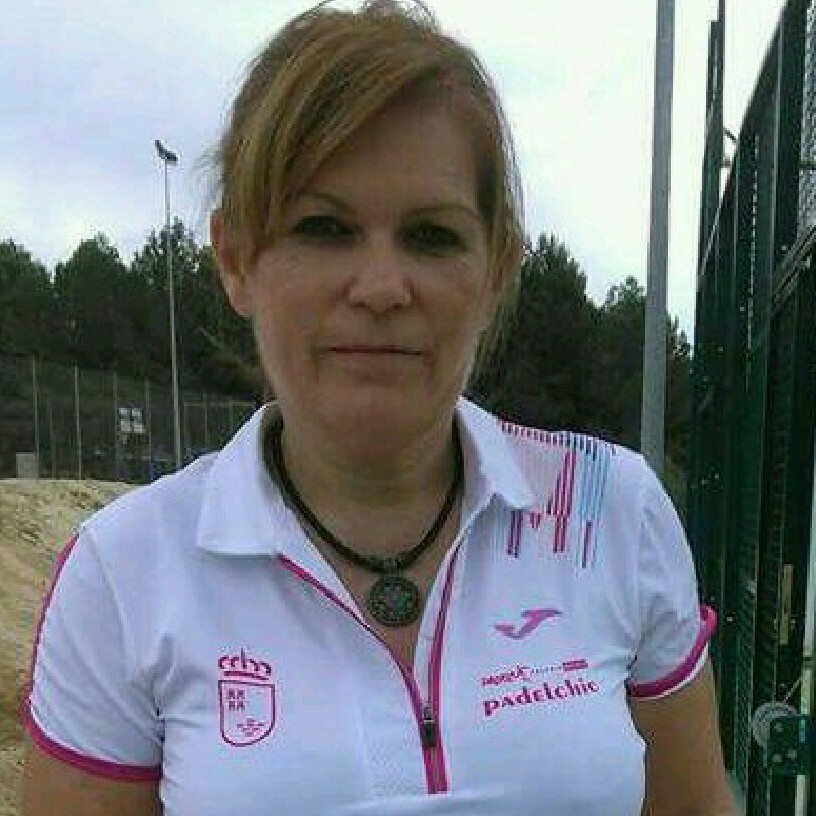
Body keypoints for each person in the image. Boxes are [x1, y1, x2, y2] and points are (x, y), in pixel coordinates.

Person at [21, 2, 737, 814]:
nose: (381, 288)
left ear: (496, 267)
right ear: (236, 258)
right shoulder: (124, 572)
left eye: (431, 236)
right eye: (323, 227)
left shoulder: (610, 508)